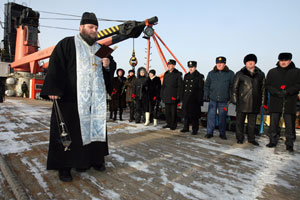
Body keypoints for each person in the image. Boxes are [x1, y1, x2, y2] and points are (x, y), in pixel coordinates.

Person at [40, 12, 116, 182]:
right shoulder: (67, 44)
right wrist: (53, 88)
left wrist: (107, 65)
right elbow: (56, 66)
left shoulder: (100, 49)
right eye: (91, 27)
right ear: (81, 27)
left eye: (96, 28)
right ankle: (64, 167)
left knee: (94, 129)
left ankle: (94, 159)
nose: (94, 31)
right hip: (70, 99)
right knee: (68, 132)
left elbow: (109, 70)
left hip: (94, 101)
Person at [265, 52, 300, 152]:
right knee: (274, 123)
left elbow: (298, 84)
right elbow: (267, 85)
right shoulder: (272, 72)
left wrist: (288, 91)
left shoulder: (297, 72)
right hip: (275, 101)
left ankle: (289, 143)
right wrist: (276, 92)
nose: (283, 62)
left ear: (290, 61)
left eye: (285, 60)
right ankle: (272, 140)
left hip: (289, 102)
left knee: (290, 124)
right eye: (281, 60)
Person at [232, 54, 265, 145]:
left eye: (252, 61)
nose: (250, 63)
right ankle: (240, 137)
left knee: (252, 123)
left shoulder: (260, 74)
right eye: (248, 61)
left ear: (255, 62)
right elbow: (234, 88)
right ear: (245, 63)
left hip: (255, 102)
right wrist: (235, 100)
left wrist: (263, 102)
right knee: (240, 122)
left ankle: (251, 138)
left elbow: (263, 89)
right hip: (242, 101)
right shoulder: (240, 74)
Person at [204, 56, 234, 140]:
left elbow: (232, 86)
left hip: (224, 100)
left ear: (225, 64)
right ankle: (209, 132)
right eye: (218, 63)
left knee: (222, 117)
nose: (219, 65)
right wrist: (206, 94)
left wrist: (231, 97)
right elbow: (206, 85)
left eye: (221, 63)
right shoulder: (211, 73)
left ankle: (222, 133)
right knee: (211, 116)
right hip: (213, 99)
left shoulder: (230, 74)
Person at [180, 61, 204, 135]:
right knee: (186, 114)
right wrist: (182, 97)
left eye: (192, 67)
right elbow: (183, 87)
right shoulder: (186, 76)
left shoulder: (199, 76)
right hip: (186, 98)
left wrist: (200, 100)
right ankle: (185, 127)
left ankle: (195, 129)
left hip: (194, 99)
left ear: (195, 67)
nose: (191, 68)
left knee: (194, 115)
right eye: (189, 67)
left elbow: (200, 89)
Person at [161, 59, 183, 130]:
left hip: (173, 95)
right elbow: (164, 85)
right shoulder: (166, 73)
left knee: (173, 111)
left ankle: (173, 124)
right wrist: (162, 94)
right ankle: (168, 123)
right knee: (167, 111)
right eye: (168, 65)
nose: (169, 66)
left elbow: (180, 86)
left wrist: (178, 96)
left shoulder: (177, 74)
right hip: (166, 94)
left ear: (174, 65)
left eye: (171, 65)